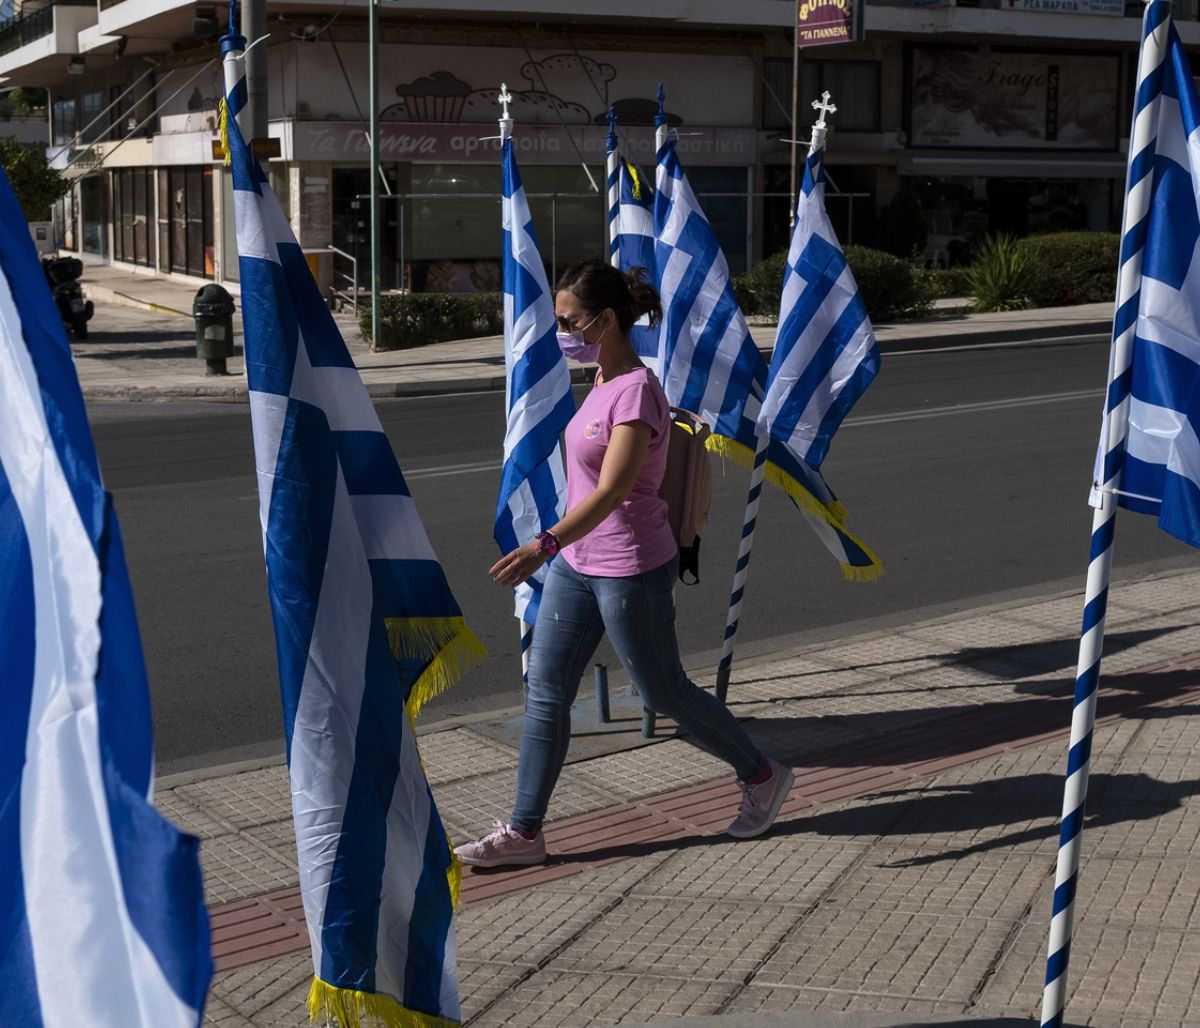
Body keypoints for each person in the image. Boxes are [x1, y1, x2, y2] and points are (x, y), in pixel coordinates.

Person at [454, 260, 794, 869]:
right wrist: (561, 551)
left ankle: (763, 776)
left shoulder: (636, 391)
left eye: (568, 320)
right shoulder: (602, 381)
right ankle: (525, 832)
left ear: (605, 320)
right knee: (546, 691)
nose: (560, 331)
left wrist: (542, 545)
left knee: (663, 689)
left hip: (629, 564)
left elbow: (613, 491)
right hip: (576, 565)